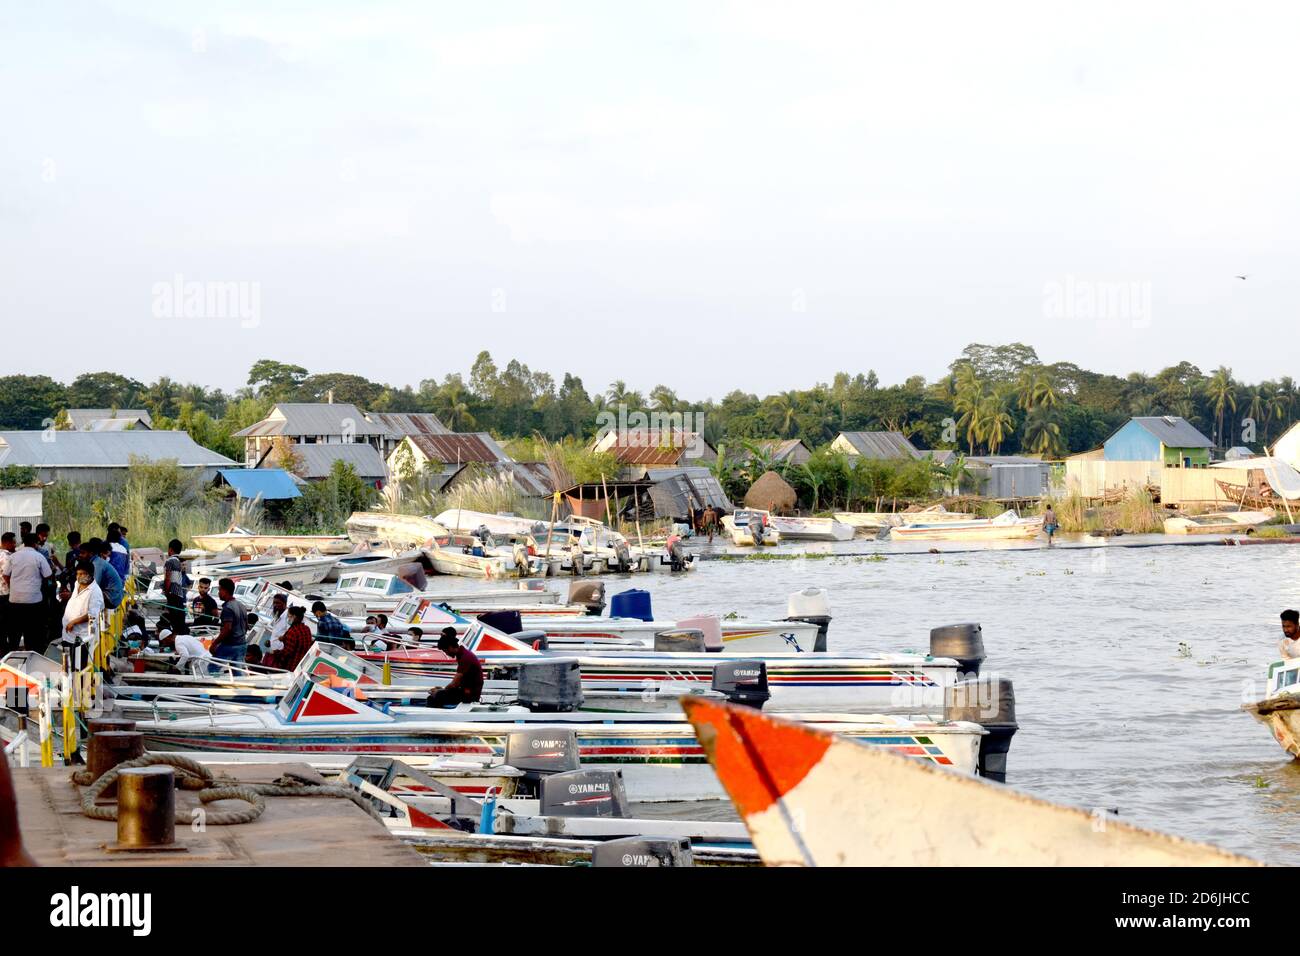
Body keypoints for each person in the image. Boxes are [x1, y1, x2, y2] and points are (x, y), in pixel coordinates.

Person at [5, 534, 52, 653]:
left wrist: (13, 587)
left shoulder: (13, 556)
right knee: (32, 633)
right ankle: (31, 657)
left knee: (14, 633)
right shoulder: (39, 557)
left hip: (14, 600)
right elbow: (48, 575)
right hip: (33, 601)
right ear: (35, 543)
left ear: (24, 542)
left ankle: (12, 658)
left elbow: (5, 575)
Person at [426, 628, 483, 707]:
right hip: (465, 690)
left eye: (445, 651)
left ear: (450, 647)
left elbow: (454, 684)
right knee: (435, 695)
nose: (446, 653)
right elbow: (457, 683)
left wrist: (442, 690)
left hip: (470, 695)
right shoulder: (462, 654)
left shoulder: (465, 658)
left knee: (435, 697)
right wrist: (442, 689)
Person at [61, 560, 104, 643]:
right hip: (67, 634)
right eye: (77, 574)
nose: (78, 576)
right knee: (67, 655)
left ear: (90, 574)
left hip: (81, 637)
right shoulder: (77, 583)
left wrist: (73, 622)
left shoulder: (95, 592)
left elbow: (92, 615)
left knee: (79, 655)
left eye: (82, 574)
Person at [211, 577, 247, 663]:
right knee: (237, 671)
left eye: (219, 590)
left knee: (214, 667)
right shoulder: (241, 605)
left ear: (225, 591)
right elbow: (246, 627)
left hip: (230, 645)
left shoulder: (227, 607)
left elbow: (227, 628)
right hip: (242, 644)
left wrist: (215, 643)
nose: (218, 593)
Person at [86, 538, 123, 610]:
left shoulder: (98, 563)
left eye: (83, 553)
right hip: (114, 595)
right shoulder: (96, 562)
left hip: (112, 598)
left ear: (90, 553)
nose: (80, 555)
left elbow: (94, 585)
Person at [161, 539, 187, 632]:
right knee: (179, 620)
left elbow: (168, 578)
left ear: (170, 549)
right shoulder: (178, 562)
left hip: (172, 593)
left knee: (174, 620)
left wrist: (167, 591)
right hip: (179, 594)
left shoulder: (170, 561)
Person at [277, 605, 314, 670]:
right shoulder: (307, 629)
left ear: (294, 617)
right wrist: (285, 638)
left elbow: (287, 652)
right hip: (302, 665)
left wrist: (276, 653)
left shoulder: (292, 631)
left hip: (291, 666)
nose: (288, 618)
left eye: (289, 616)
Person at [0, 533, 14, 653]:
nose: (15, 545)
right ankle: (5, 651)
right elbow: (6, 575)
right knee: (6, 624)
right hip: (5, 594)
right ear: (7, 542)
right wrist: (12, 587)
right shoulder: (6, 557)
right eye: (13, 542)